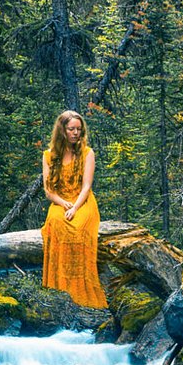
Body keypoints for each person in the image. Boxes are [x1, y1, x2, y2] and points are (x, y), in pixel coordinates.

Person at [40, 109, 108, 309]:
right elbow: (48, 191)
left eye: (79, 129)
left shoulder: (87, 153)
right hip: (60, 201)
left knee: (78, 227)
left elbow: (87, 186)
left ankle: (80, 291)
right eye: (71, 129)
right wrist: (63, 204)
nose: (76, 133)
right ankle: (61, 288)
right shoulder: (49, 155)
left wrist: (75, 207)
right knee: (57, 223)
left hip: (83, 201)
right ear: (62, 131)